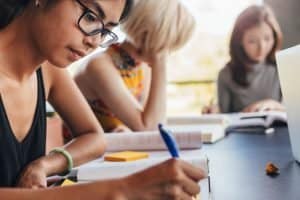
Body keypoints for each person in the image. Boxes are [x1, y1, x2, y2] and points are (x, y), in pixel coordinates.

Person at [0, 0, 205, 198]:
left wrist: (44, 165)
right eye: (90, 17)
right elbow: (146, 126)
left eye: (105, 30)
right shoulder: (81, 67)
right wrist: (120, 190)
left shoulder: (48, 70)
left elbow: (94, 136)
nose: (95, 41)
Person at [74, 0, 196, 132]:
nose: (168, 52)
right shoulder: (100, 65)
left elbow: (152, 121)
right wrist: (160, 64)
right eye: (169, 45)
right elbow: (151, 128)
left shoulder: (141, 67)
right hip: (85, 151)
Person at [216, 4, 284, 113]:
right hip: (240, 129)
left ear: (275, 37)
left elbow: (295, 110)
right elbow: (222, 115)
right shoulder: (226, 75)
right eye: (252, 41)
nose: (261, 48)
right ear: (240, 42)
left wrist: (274, 105)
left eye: (267, 39)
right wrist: (213, 112)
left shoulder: (283, 68)